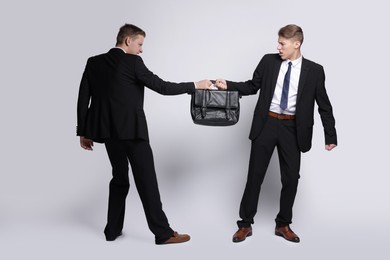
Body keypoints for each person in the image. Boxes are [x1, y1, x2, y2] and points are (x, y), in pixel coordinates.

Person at [76, 23, 211, 244]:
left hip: (107, 134)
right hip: (133, 132)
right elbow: (162, 87)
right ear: (128, 41)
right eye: (140, 44)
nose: (141, 50)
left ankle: (112, 231)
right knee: (147, 181)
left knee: (119, 179)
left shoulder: (94, 62)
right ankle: (163, 234)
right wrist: (195, 85)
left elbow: (83, 98)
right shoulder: (132, 62)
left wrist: (83, 132)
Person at [215, 24, 337, 243]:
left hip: (293, 128)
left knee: (291, 178)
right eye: (278, 42)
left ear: (296, 44)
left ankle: (283, 224)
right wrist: (228, 85)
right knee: (255, 176)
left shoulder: (315, 71)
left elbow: (324, 105)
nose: (278, 47)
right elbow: (252, 86)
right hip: (267, 124)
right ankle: (245, 224)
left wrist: (330, 136)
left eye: (282, 43)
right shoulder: (268, 61)